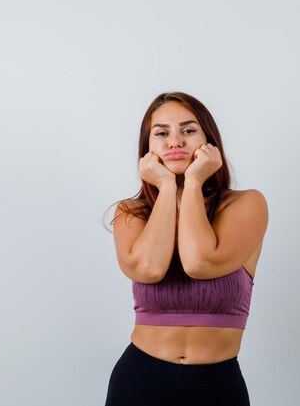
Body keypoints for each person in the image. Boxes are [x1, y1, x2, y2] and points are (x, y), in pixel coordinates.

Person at [103, 92, 269, 406]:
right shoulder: (131, 212)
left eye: (189, 131)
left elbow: (200, 262)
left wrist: (192, 182)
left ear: (210, 141)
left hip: (217, 387)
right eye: (162, 133)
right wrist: (166, 186)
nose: (175, 141)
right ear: (147, 148)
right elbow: (149, 269)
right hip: (139, 381)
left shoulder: (246, 204)